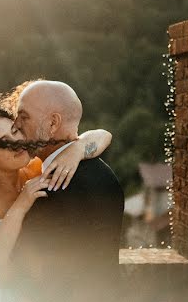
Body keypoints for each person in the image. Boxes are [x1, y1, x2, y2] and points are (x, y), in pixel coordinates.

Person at [0, 94, 112, 279]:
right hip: (1, 294)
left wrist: (78, 149)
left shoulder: (37, 166)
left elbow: (104, 135)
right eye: (3, 142)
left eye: (15, 131)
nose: (17, 143)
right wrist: (21, 204)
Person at [11, 80, 124, 277]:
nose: (15, 126)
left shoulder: (50, 191)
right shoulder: (105, 173)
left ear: (53, 123)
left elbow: (32, 276)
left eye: (24, 117)